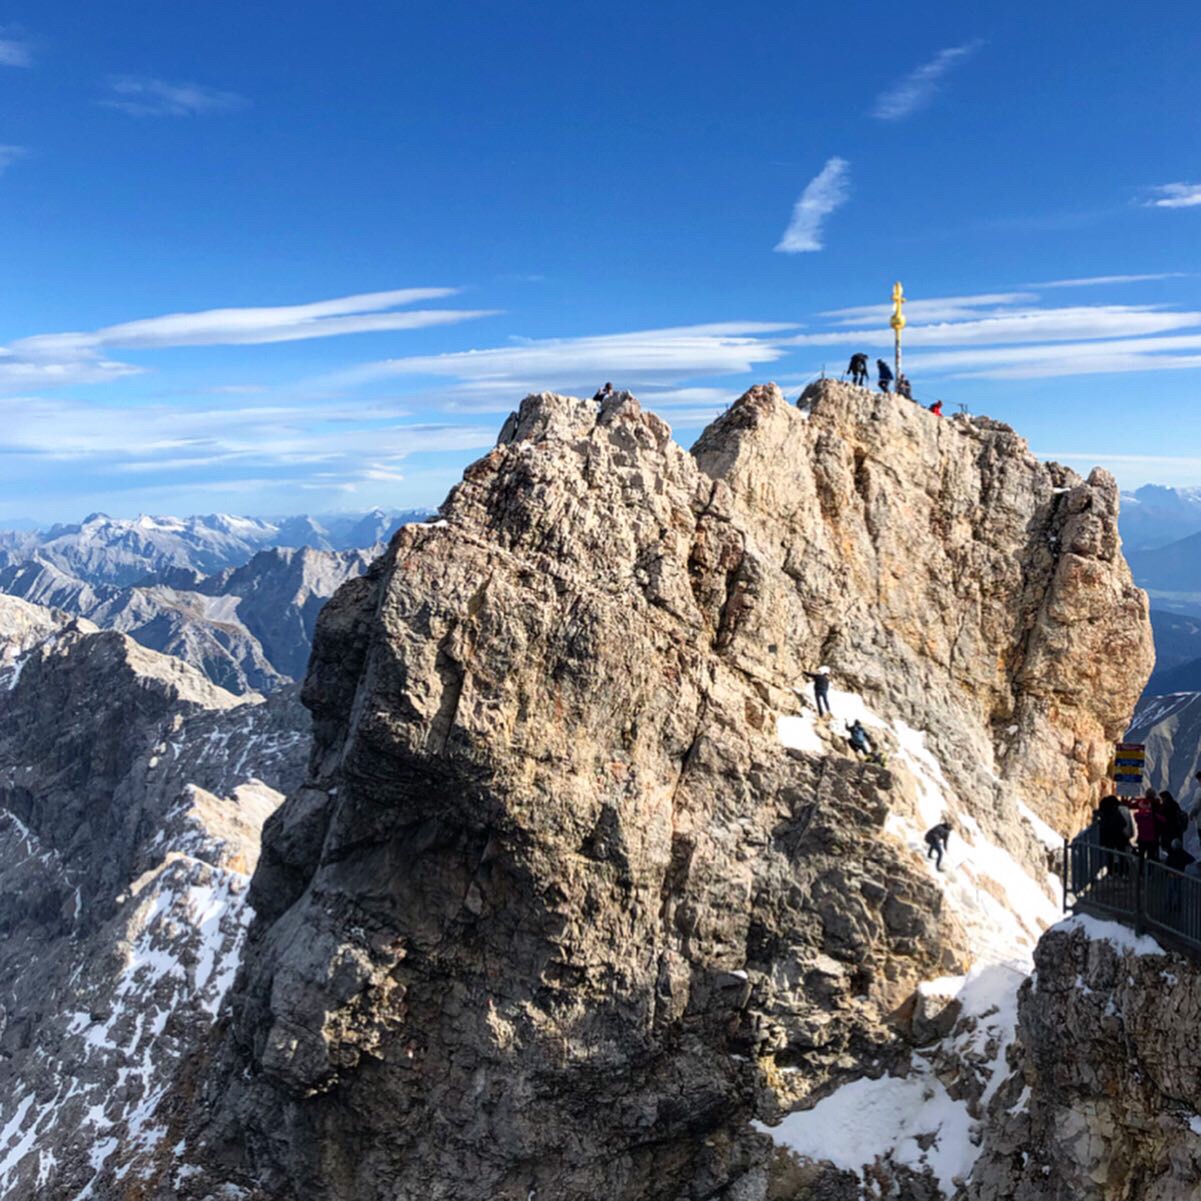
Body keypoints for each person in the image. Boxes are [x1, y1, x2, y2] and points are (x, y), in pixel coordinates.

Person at [1134, 790, 1161, 860]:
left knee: (1141, 857)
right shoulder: (1156, 807)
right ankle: (1150, 869)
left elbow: (1132, 805)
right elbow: (1163, 820)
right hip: (1153, 837)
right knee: (1151, 857)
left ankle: (1141, 870)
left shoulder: (1138, 815)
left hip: (1141, 838)